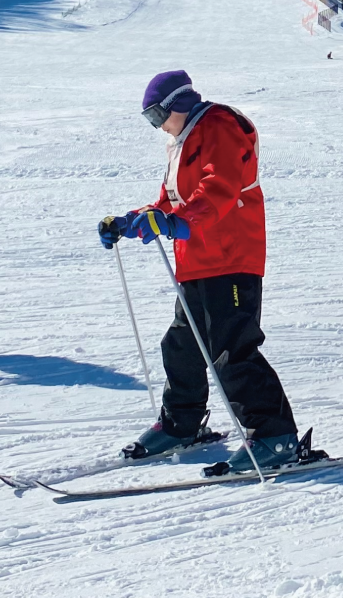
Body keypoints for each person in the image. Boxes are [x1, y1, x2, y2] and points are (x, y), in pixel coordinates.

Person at [99, 70, 304, 468]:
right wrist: (130, 222)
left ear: (178, 104)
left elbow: (218, 187)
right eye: (150, 122)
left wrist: (181, 222)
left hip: (231, 254)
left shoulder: (220, 125)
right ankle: (182, 423)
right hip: (196, 260)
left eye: (157, 117)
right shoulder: (184, 142)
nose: (158, 127)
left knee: (232, 349)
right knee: (181, 344)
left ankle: (276, 436)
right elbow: (170, 201)